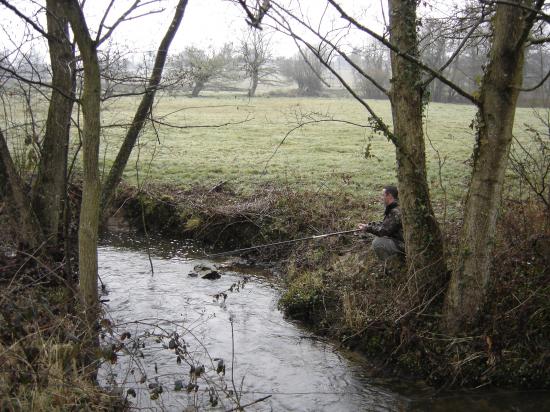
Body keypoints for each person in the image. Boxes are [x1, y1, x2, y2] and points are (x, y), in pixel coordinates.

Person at [357, 185, 405, 261]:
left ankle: (390, 266)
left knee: (378, 243)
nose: (382, 198)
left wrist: (367, 228)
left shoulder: (396, 211)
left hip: (405, 245)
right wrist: (368, 225)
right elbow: (386, 224)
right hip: (401, 241)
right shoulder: (395, 208)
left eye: (383, 195)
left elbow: (383, 231)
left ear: (389, 195)